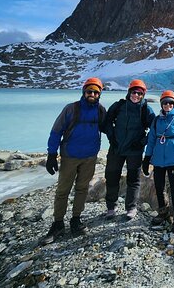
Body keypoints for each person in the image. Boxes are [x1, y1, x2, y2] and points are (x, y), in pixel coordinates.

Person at [41, 77, 107, 244]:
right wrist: (51, 154)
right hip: (70, 156)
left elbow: (109, 128)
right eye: (89, 91)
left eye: (95, 92)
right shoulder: (71, 109)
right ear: (84, 92)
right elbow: (56, 131)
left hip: (89, 157)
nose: (92, 94)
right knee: (63, 190)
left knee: (82, 189)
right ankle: (57, 224)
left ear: (99, 94)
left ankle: (76, 219)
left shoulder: (100, 110)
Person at [102, 79, 155, 220]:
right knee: (112, 177)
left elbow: (155, 129)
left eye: (139, 93)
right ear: (129, 92)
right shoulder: (119, 106)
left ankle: (131, 207)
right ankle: (111, 207)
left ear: (143, 95)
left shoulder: (146, 110)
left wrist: (142, 143)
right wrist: (111, 137)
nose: (136, 95)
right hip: (116, 148)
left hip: (134, 151)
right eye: (133, 92)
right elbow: (107, 122)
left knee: (133, 180)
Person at [142, 90, 174, 229]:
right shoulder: (157, 120)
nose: (168, 105)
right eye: (165, 102)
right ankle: (163, 212)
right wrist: (147, 158)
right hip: (158, 160)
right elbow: (151, 139)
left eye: (171, 102)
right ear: (162, 104)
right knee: (159, 187)